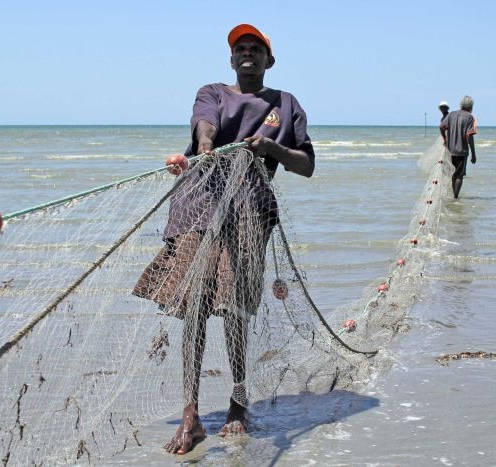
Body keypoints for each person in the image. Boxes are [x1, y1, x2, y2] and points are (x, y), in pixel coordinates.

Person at [133, 23, 315, 455]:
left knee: (235, 309)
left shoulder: (286, 105)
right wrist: (207, 145)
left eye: (255, 48)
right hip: (197, 207)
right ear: (231, 60)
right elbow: (205, 125)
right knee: (194, 307)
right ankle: (191, 413)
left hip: (250, 215)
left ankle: (238, 401)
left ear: (269, 61)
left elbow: (306, 164)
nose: (247, 54)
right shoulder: (212, 91)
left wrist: (271, 150)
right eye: (240, 49)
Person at [440, 96, 477, 198]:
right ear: (471, 106)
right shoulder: (470, 117)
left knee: (453, 174)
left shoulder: (451, 114)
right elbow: (469, 136)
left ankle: (454, 195)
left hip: (450, 150)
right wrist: (473, 154)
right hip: (461, 151)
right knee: (459, 175)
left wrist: (445, 139)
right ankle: (455, 197)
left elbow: (441, 127)